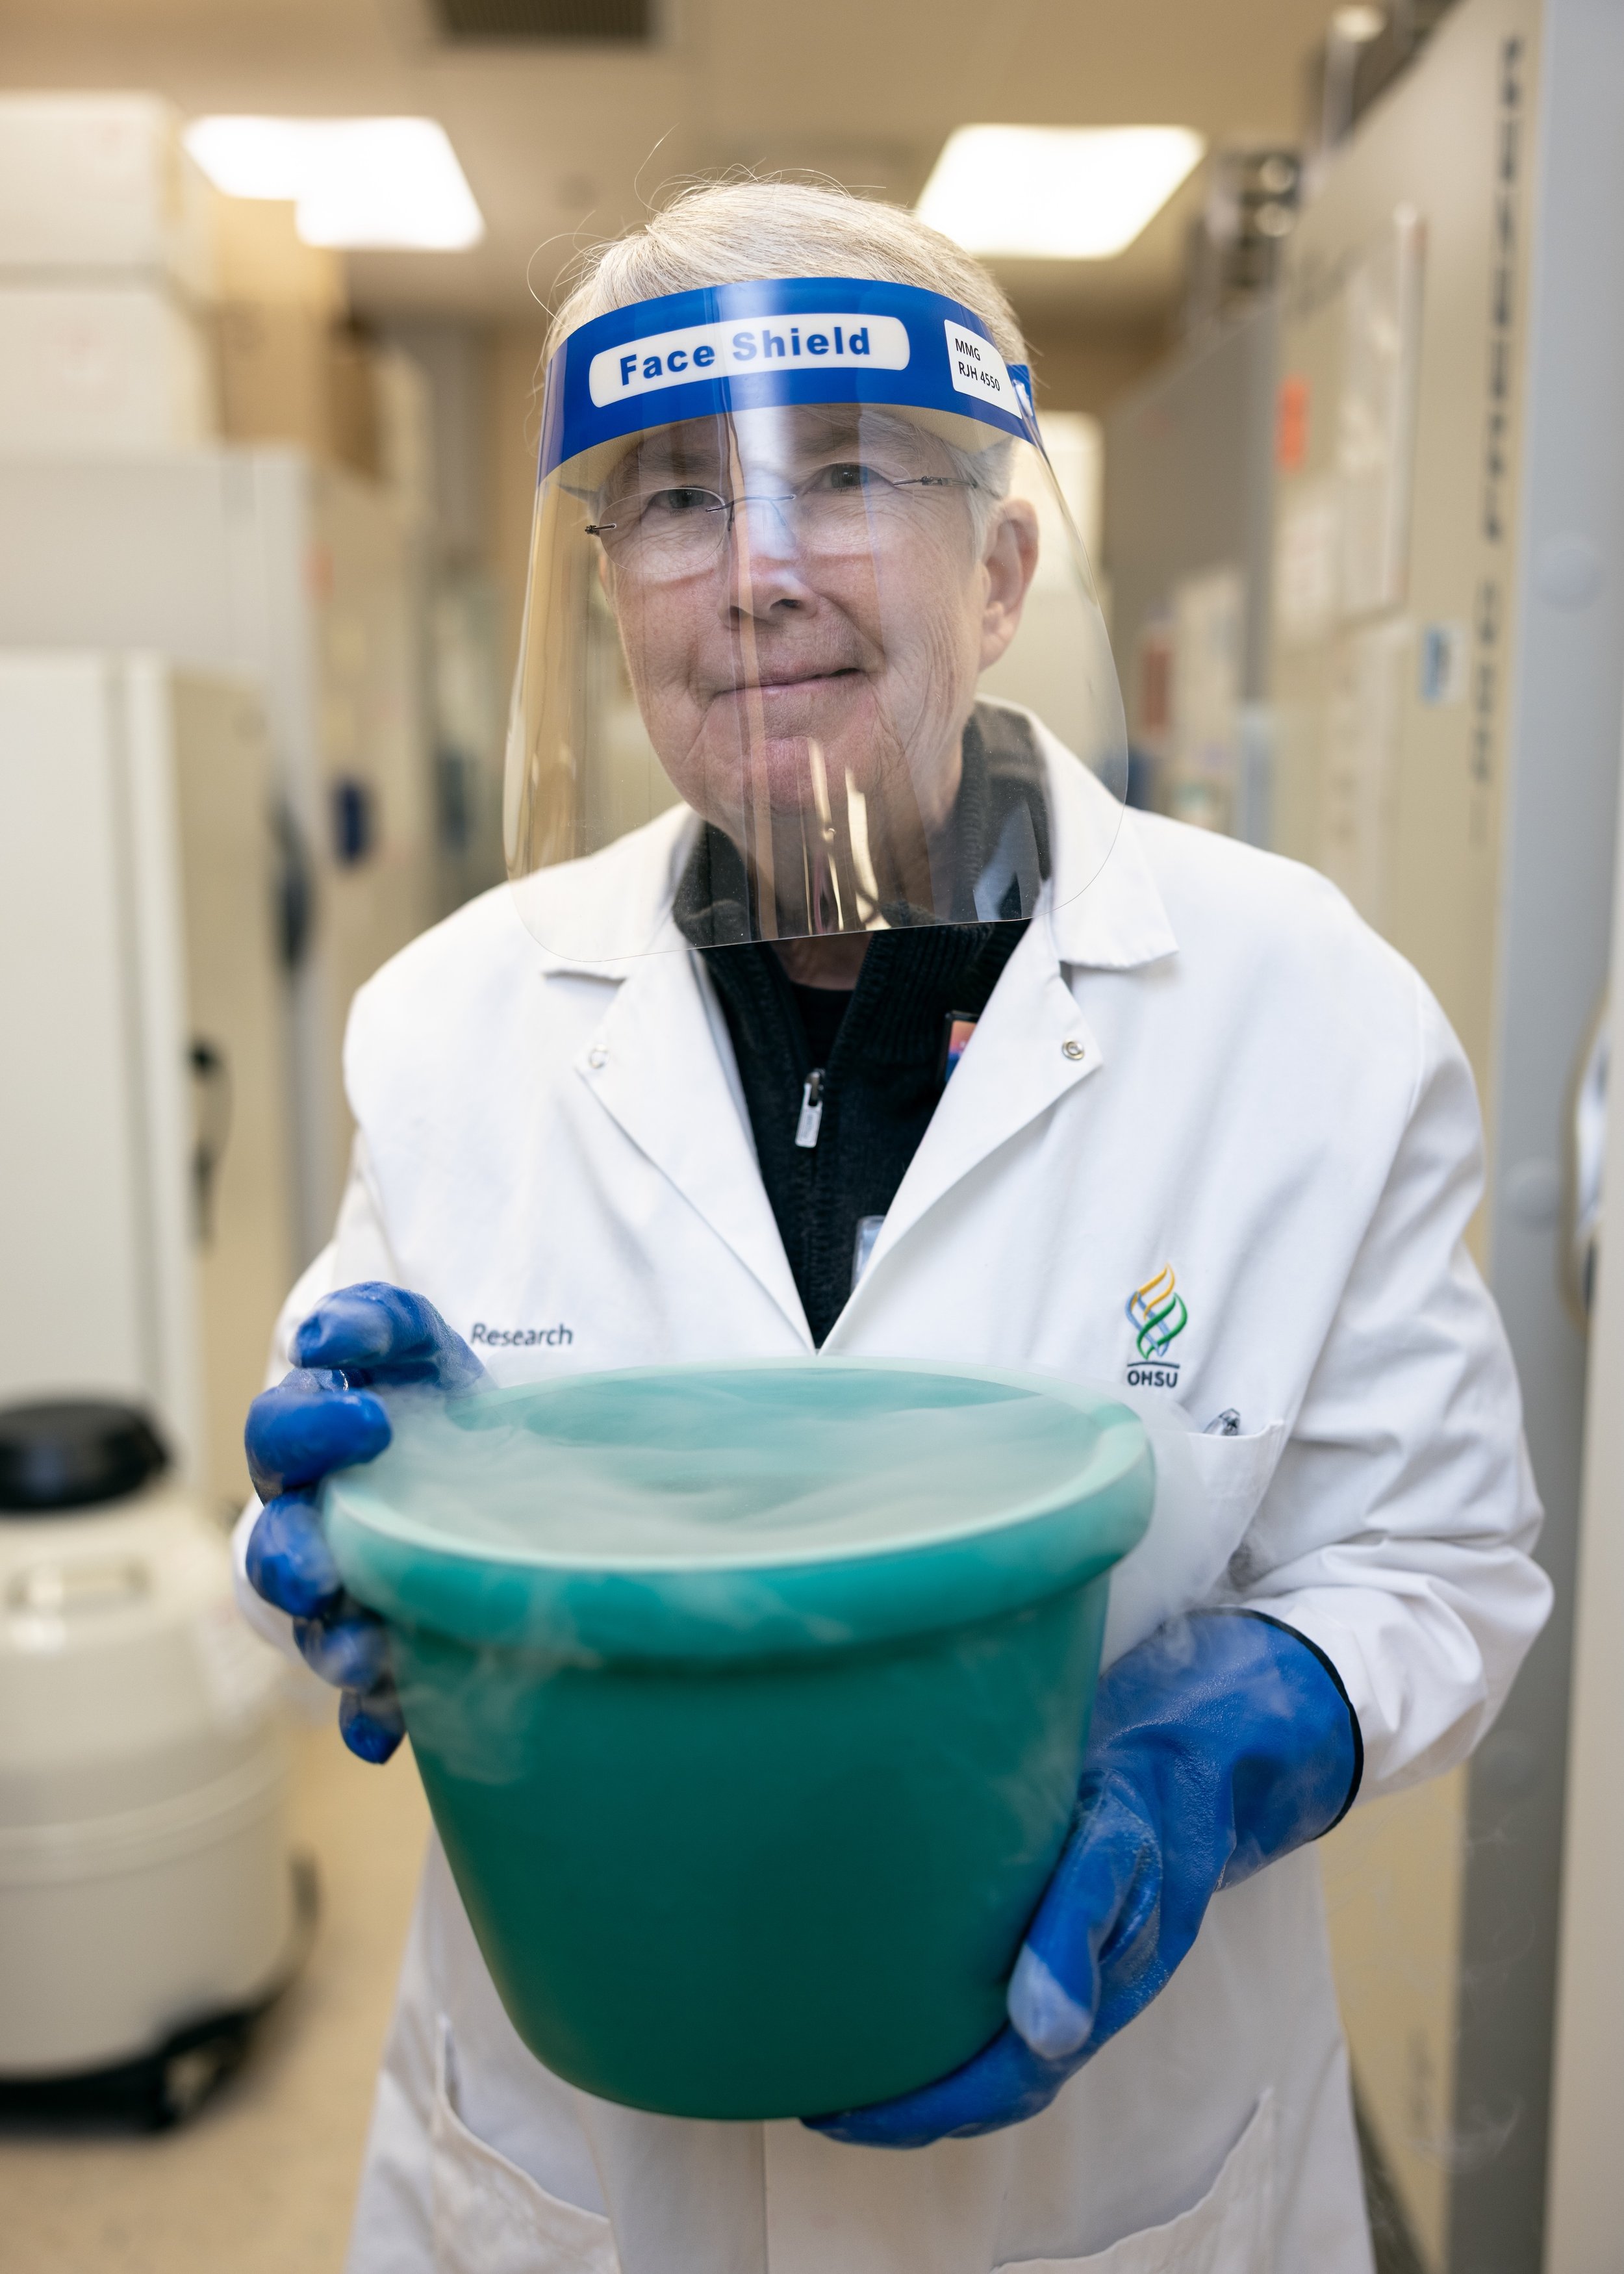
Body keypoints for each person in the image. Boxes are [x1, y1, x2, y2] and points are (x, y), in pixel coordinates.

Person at [236, 181, 1549, 2274]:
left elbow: (1447, 1559)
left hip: (1109, 2180)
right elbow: (324, 1473)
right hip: (585, 2159)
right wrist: (338, 1525)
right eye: (673, 500)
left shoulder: (1298, 1010)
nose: (753, 574)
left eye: (838, 476)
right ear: (611, 588)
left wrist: (1240, 1731)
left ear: (1004, 557)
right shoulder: (454, 1024)